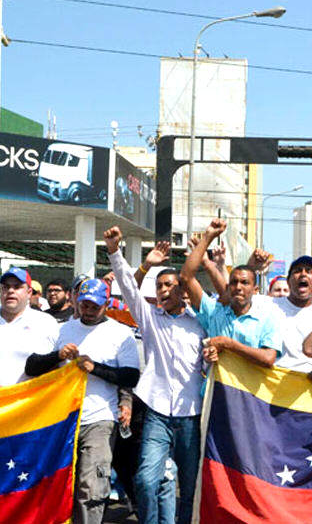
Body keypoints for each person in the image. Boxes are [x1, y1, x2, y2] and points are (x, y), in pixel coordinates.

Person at [104, 227, 206, 524]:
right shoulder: (149, 318)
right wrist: (115, 251)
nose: (162, 291)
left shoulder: (200, 322)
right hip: (156, 413)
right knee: (146, 481)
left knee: (188, 488)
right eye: (159, 286)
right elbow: (126, 286)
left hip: (191, 414)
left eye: (169, 285)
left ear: (183, 290)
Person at [26, 278, 140, 524]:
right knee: (59, 482)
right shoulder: (64, 330)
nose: (88, 311)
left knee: (91, 487)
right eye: (85, 305)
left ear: (106, 304)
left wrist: (94, 368)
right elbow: (33, 366)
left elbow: (131, 376)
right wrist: (57, 355)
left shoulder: (121, 334)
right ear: (76, 301)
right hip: (63, 418)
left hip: (100, 418)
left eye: (94, 306)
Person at [181, 219, 282, 368]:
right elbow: (186, 277)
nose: (238, 287)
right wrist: (208, 237)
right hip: (217, 390)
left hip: (248, 391)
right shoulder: (215, 313)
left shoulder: (266, 319)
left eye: (245, 283)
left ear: (255, 290)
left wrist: (229, 345)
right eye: (233, 283)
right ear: (228, 288)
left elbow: (268, 358)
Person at [0, 267, 60, 386]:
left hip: (29, 402)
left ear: (29, 293)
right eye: (6, 287)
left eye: (17, 287)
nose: (11, 291)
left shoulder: (46, 323)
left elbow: (57, 365)